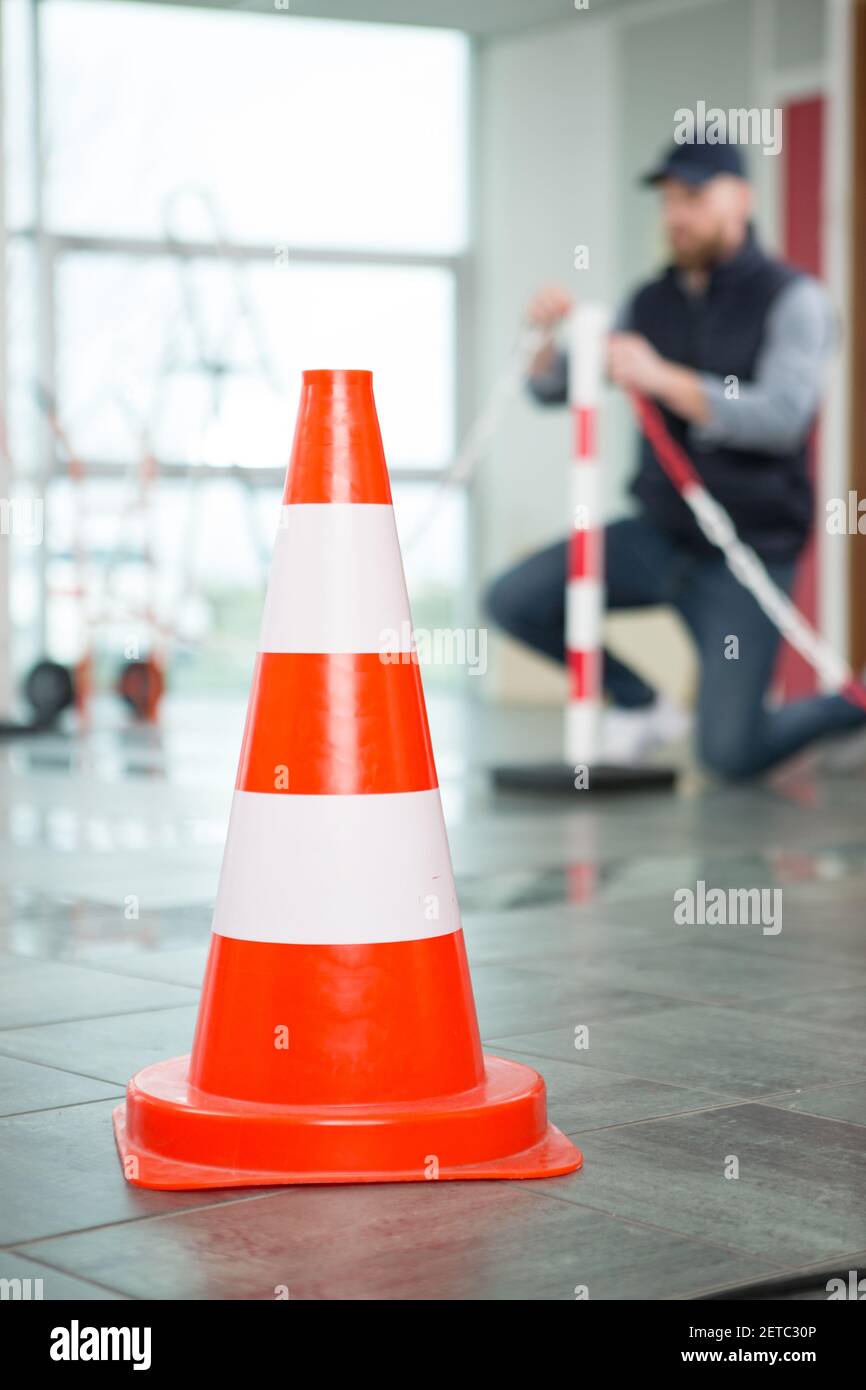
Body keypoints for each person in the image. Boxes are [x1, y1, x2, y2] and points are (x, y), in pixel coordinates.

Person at [487, 134, 866, 778]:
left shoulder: (793, 300)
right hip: (658, 538)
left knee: (730, 754)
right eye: (667, 200)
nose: (676, 215)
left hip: (745, 553)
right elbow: (553, 389)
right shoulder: (648, 301)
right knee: (515, 599)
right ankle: (639, 702)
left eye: (693, 197)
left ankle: (854, 706)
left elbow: (780, 418)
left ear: (740, 198)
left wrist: (665, 378)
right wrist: (548, 343)